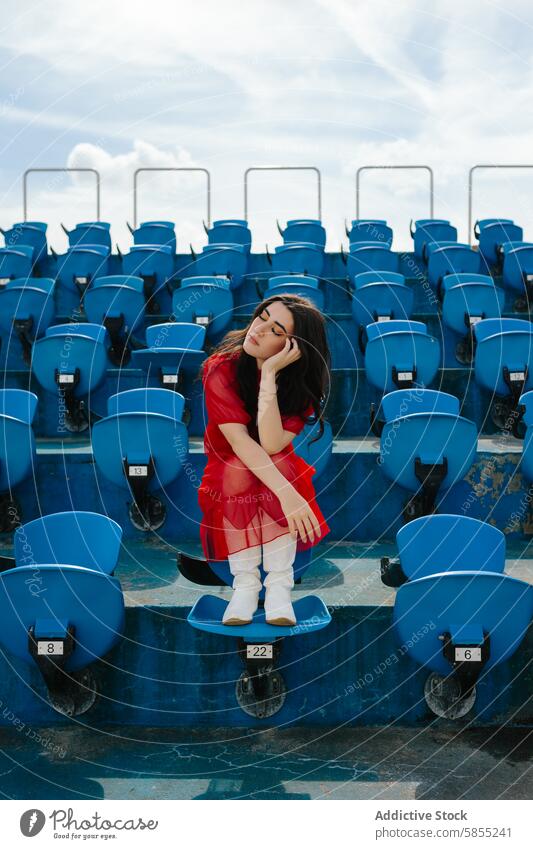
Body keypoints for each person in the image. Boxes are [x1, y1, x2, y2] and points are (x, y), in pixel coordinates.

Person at [197, 293, 331, 627]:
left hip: (277, 471)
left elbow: (271, 443)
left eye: (275, 330)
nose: (258, 329)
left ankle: (278, 587)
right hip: (228, 474)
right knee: (239, 469)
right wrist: (289, 496)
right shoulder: (221, 368)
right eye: (262, 317)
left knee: (278, 464)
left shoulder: (299, 388)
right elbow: (240, 443)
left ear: (293, 348)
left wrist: (269, 374)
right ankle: (245, 585)